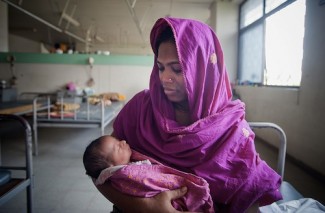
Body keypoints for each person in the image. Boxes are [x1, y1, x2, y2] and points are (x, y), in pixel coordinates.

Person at [95, 17, 283, 212]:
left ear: (203, 70)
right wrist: (146, 206)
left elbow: (249, 195)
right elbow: (99, 168)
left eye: (177, 69)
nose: (164, 78)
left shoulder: (232, 130)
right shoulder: (140, 109)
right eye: (160, 67)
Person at [83, 135, 214, 212]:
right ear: (110, 169)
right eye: (118, 146)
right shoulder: (123, 175)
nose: (123, 141)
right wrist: (150, 207)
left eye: (118, 141)